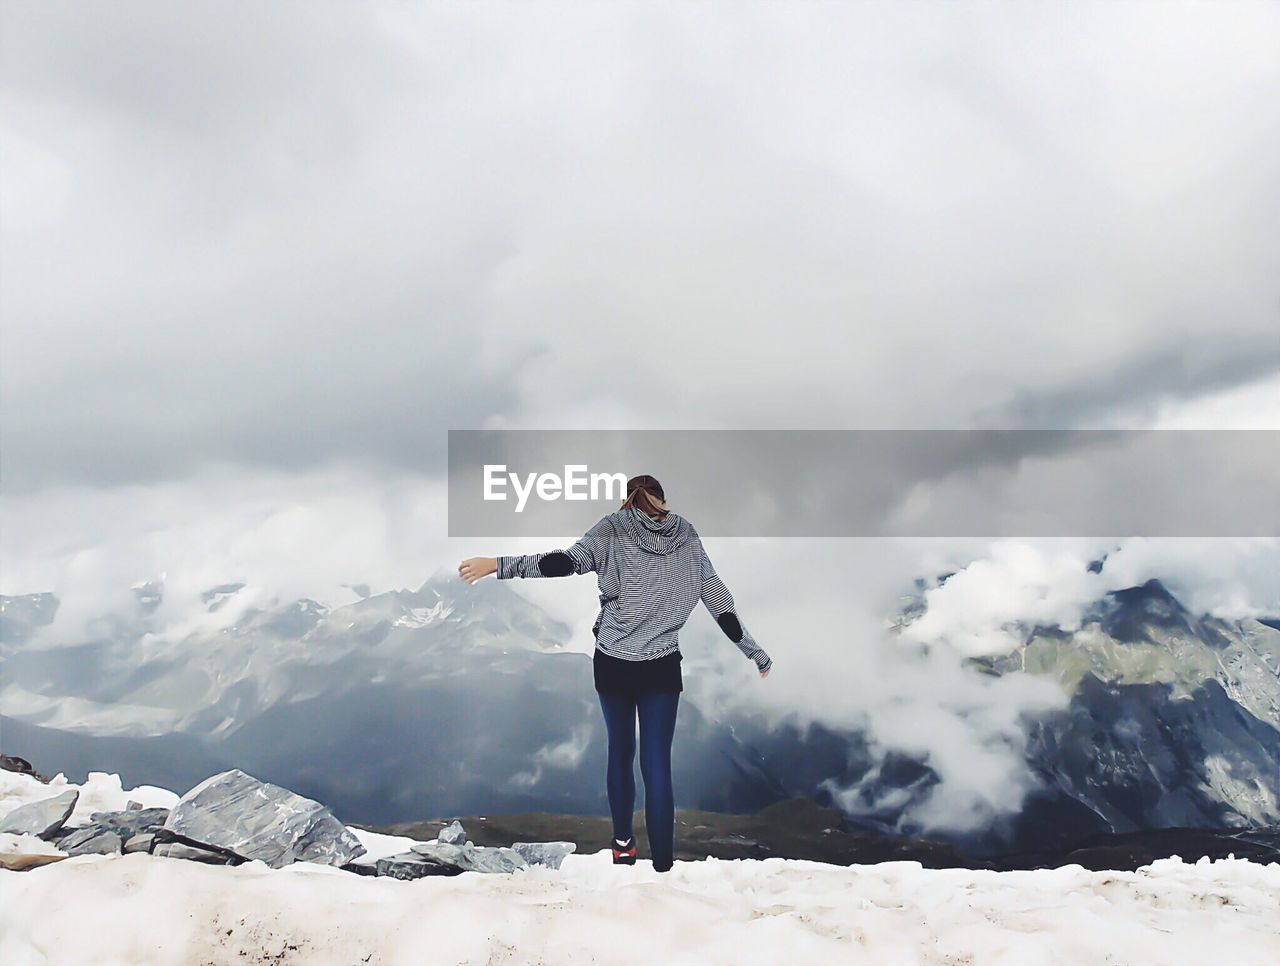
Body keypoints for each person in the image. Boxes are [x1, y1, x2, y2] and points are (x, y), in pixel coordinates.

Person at [458, 474, 773, 873]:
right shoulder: (688, 537)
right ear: (663, 500)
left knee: (620, 753)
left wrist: (497, 566)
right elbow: (717, 599)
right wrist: (754, 652)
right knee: (657, 764)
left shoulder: (611, 528)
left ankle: (623, 843)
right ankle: (663, 865)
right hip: (662, 666)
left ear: (627, 500)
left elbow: (562, 563)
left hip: (615, 663)